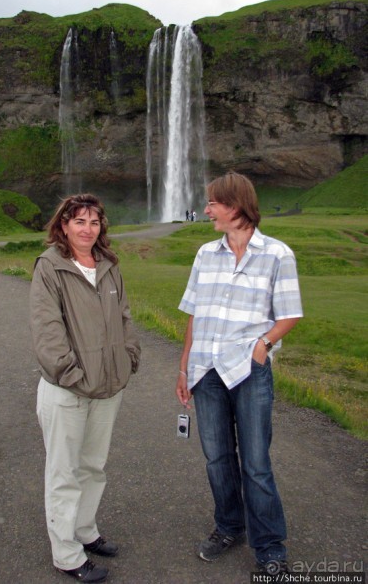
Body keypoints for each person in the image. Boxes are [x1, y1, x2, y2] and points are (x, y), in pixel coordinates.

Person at [176, 172, 303, 574]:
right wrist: (184, 368)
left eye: (213, 203)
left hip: (248, 370)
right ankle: (229, 527)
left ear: (235, 206)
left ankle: (270, 548)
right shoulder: (204, 254)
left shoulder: (277, 254)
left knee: (255, 462)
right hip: (206, 371)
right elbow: (195, 315)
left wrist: (262, 346)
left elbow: (289, 314)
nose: (206, 209)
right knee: (216, 458)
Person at [30, 193, 141, 583]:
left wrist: (129, 358)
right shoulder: (50, 267)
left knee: (94, 466)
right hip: (68, 390)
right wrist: (72, 376)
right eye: (79, 221)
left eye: (94, 222)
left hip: (109, 386)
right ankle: (66, 555)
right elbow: (48, 331)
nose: (87, 229)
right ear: (63, 226)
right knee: (64, 471)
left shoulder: (109, 265)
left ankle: (84, 531)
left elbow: (125, 316)